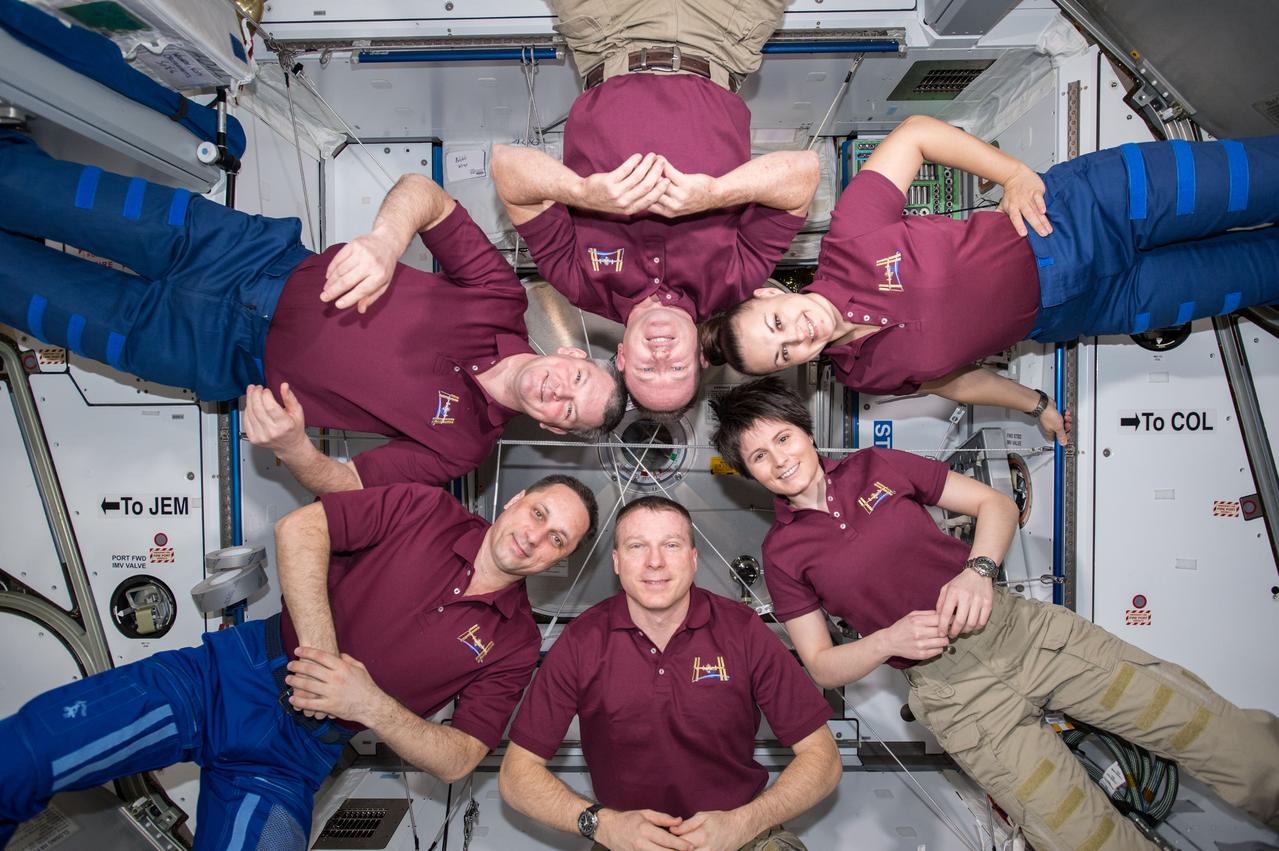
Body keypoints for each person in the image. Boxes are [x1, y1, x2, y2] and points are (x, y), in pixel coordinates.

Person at [708, 377, 1279, 850]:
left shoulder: (875, 466)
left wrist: (978, 570)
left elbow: (994, 504)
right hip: (957, 698)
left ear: (804, 431)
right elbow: (821, 664)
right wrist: (888, 640)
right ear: (748, 473)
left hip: (1024, 634)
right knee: (1084, 840)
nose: (780, 459)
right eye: (759, 456)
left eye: (784, 438)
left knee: (1221, 737)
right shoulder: (782, 554)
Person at [0, 129, 627, 494]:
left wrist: (297, 450)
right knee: (24, 187)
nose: (557, 393)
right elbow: (427, 197)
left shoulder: (461, 450)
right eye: (577, 379)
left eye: (568, 411)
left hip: (201, 349)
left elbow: (347, 484)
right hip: (232, 252)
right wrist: (385, 242)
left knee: (13, 285)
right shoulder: (500, 298)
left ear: (553, 431)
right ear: (571, 353)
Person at [0, 474, 599, 848]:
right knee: (24, 755)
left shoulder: (516, 642)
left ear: (559, 563)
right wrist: (321, 658)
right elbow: (301, 528)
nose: (535, 536)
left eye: (557, 541)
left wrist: (368, 705)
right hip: (225, 679)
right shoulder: (424, 509)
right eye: (539, 514)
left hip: (291, 760)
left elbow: (461, 758)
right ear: (517, 500)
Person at [700, 117, 1279, 445]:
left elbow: (916, 136)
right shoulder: (865, 373)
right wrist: (1038, 405)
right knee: (1263, 272)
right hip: (1096, 306)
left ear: (773, 292)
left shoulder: (851, 237)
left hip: (1088, 209)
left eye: (777, 322)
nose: (797, 336)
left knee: (1263, 179)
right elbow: (957, 383)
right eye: (783, 354)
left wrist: (1013, 173)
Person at [491, 0, 819, 416]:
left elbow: (506, 167)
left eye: (647, 372)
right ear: (701, 357)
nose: (661, 358)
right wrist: (716, 194)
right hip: (724, 35)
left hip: (605, 34)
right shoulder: (737, 282)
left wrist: (582, 192)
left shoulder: (577, 281)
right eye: (677, 368)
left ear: (623, 359)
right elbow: (803, 175)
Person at [500, 496, 840, 851]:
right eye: (636, 546)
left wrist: (744, 822)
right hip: (626, 837)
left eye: (671, 545)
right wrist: (602, 824)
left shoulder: (743, 631)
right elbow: (516, 775)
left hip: (740, 831)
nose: (655, 562)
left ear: (693, 560)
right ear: (616, 562)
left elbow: (823, 758)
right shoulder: (582, 640)